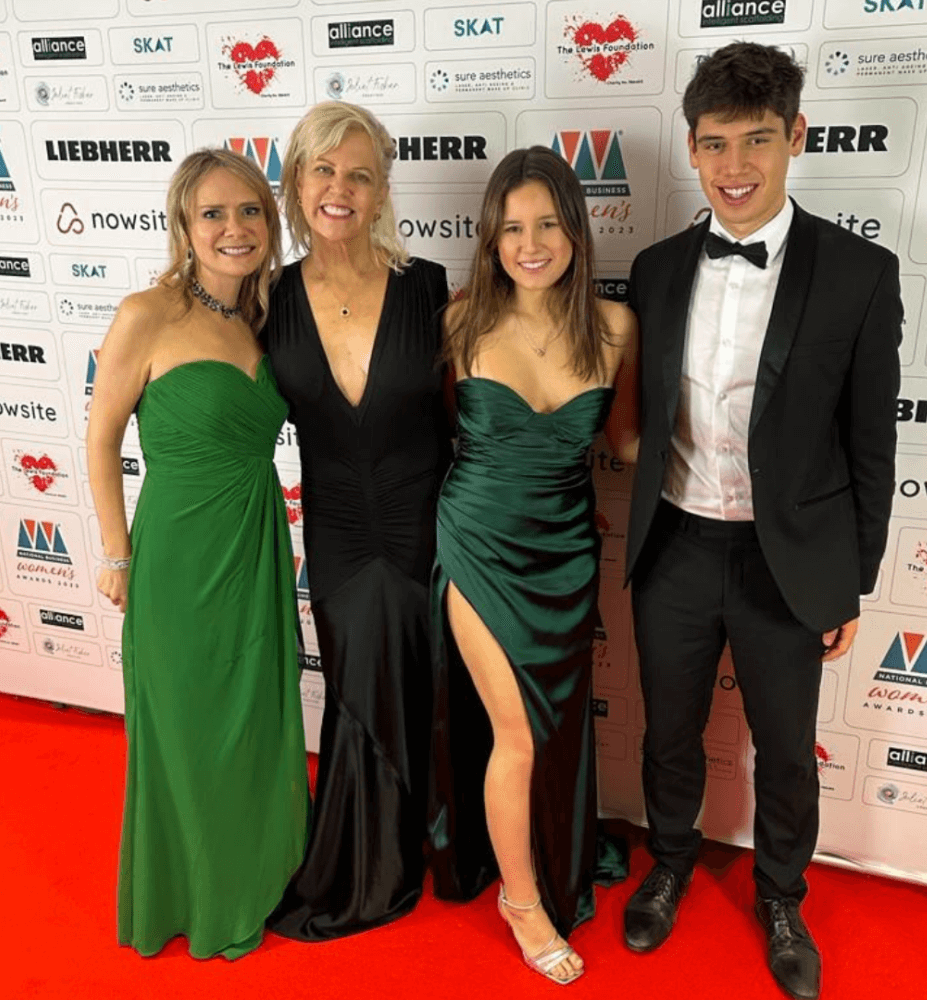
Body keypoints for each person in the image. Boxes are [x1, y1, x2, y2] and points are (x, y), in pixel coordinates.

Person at [623, 43, 901, 1000]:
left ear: (796, 138)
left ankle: (782, 896)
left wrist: (850, 580)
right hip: (676, 545)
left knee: (786, 748)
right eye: (713, 144)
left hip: (791, 562)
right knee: (669, 731)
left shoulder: (862, 273)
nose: (734, 166)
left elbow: (872, 443)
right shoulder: (656, 269)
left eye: (755, 141)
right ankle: (667, 862)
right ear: (692, 152)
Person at [87, 148, 309, 959]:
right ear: (184, 224)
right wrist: (117, 554)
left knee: (249, 717)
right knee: (184, 727)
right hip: (177, 554)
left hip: (254, 544)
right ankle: (193, 890)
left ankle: (252, 872)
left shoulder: (264, 317)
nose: (233, 228)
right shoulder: (146, 313)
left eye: (250, 211)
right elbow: (101, 438)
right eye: (213, 213)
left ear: (270, 221)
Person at [430, 146, 638, 985]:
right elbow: (436, 433)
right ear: (490, 237)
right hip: (477, 546)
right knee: (515, 734)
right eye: (512, 227)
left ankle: (553, 851)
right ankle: (523, 903)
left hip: (568, 552)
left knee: (553, 730)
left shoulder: (618, 326)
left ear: (577, 230)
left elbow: (626, 442)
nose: (531, 242)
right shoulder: (459, 321)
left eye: (547, 222)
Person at [263, 102, 451, 941]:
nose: (339, 188)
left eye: (359, 174)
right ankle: (370, 860)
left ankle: (424, 840)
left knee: (421, 678)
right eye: (322, 170)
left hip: (425, 522)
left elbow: (466, 409)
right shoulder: (267, 299)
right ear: (296, 183)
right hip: (335, 526)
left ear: (381, 192)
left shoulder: (429, 285)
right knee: (354, 685)